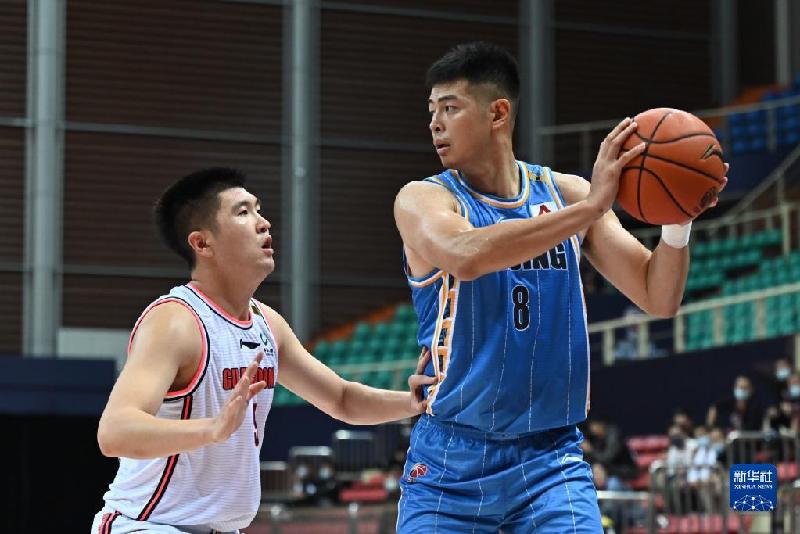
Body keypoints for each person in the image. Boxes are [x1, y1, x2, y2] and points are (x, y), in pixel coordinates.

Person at [393, 42, 728, 532]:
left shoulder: (565, 194)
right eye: (432, 111)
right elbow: (465, 255)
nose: (435, 124)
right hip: (449, 461)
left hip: (549, 459)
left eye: (450, 108)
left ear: (498, 113)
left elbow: (658, 296)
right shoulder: (423, 199)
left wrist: (678, 219)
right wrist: (589, 209)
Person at [91, 168, 434, 533]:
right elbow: (114, 432)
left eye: (259, 209)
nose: (263, 223)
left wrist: (415, 402)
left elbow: (342, 399)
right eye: (243, 212)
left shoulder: (267, 324)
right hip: (146, 524)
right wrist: (211, 429)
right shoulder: (176, 321)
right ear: (202, 244)